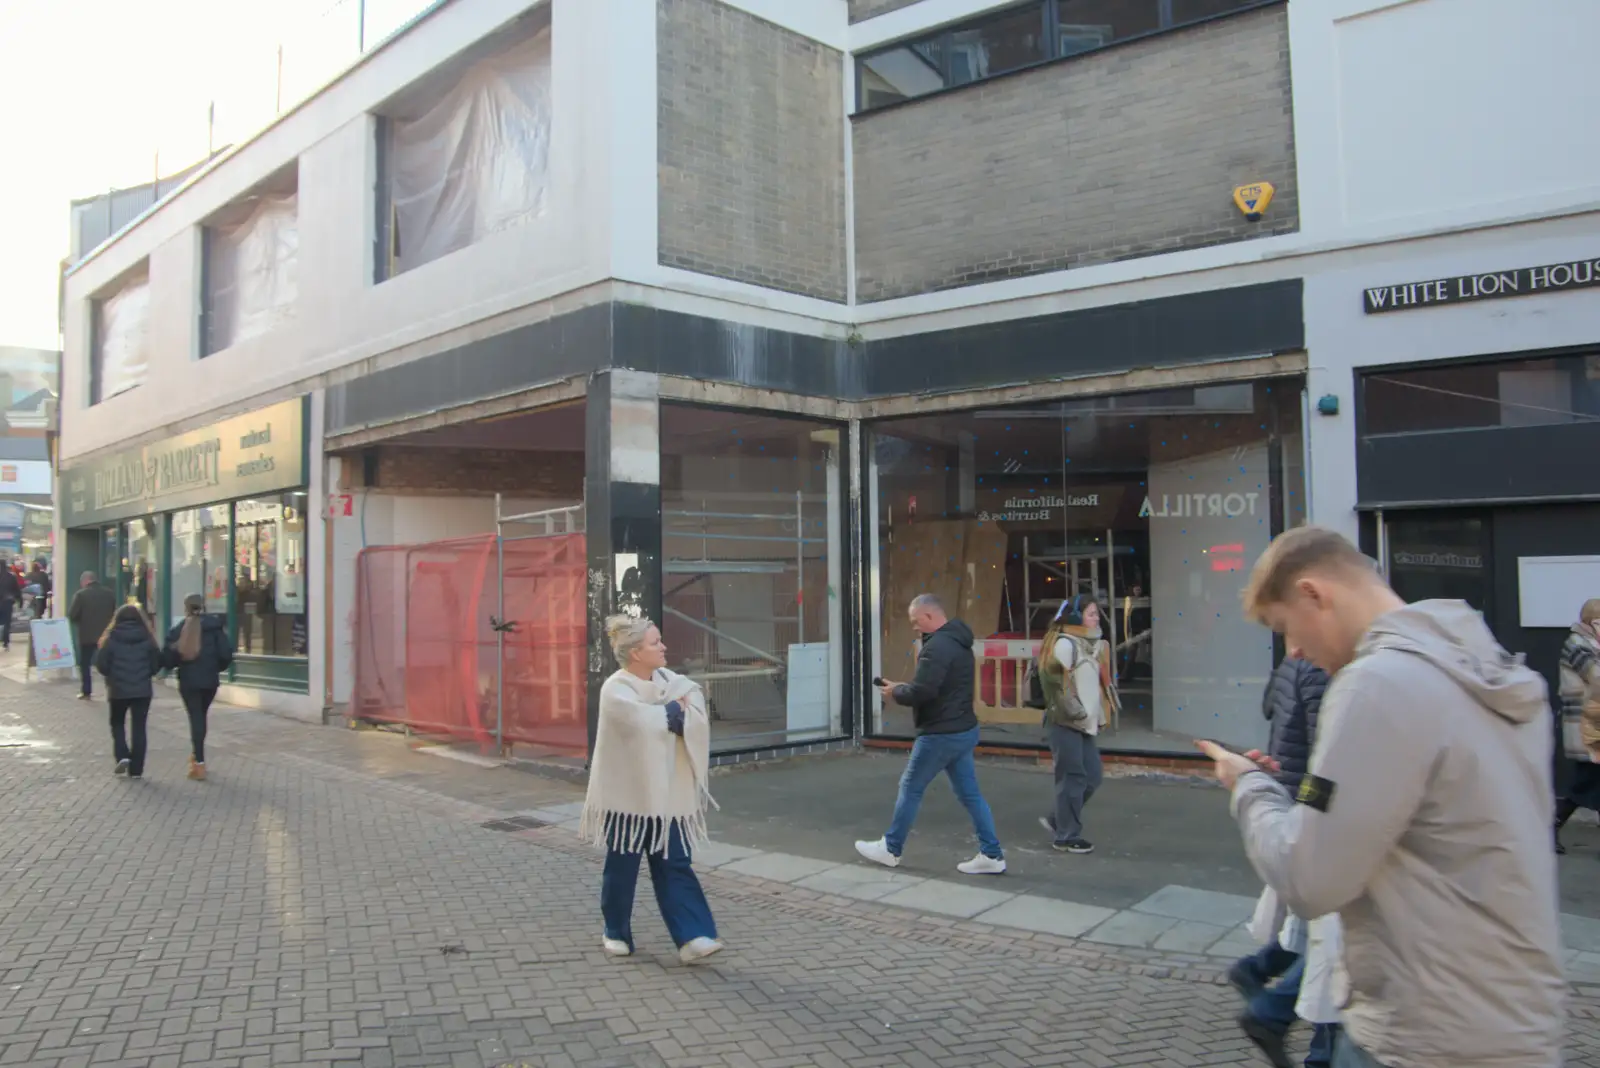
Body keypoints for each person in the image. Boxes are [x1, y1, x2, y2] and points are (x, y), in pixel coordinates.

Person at [1199, 525, 1564, 1068]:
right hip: (1518, 1026)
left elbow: (1309, 877)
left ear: (1313, 593)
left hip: (1421, 1033)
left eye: (1284, 628)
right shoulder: (1490, 672)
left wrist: (1247, 785)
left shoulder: (1378, 684)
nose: (1294, 650)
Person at [577, 615, 722, 964]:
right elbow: (646, 725)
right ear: (635, 653)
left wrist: (670, 715)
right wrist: (671, 713)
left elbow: (693, 712)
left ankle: (693, 936)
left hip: (668, 797)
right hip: (627, 798)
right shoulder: (616, 689)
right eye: (655, 643)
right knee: (622, 868)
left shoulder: (673, 681)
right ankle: (615, 930)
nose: (663, 647)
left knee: (676, 863)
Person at [1231, 652, 1333, 1068]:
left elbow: (1272, 708)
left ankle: (1263, 977)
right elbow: (1324, 759)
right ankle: (1279, 1012)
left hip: (1292, 792)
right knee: (1325, 935)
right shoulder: (1322, 671)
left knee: (1316, 932)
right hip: (1308, 804)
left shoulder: (1291, 666)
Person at [856, 594, 1006, 875]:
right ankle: (992, 854)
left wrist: (896, 692)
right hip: (963, 728)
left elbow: (923, 692)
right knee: (970, 794)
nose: (914, 627)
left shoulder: (935, 647)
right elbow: (938, 686)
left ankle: (891, 848)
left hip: (940, 733)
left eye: (916, 621)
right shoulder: (958, 641)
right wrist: (905, 686)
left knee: (910, 787)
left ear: (928, 617)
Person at [1036, 595, 1116, 854]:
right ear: (1075, 616)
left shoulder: (1090, 644)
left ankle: (1059, 819)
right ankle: (1066, 836)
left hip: (1084, 723)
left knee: (1092, 776)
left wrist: (1096, 715)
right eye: (1091, 613)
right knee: (1073, 778)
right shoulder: (1064, 644)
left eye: (1096, 613)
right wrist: (1078, 712)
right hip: (1065, 722)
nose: (1096, 618)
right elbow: (1055, 685)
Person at [163, 593, 235, 782]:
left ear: (186, 608)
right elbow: (226, 654)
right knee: (201, 716)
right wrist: (215, 668)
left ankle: (199, 762)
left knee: (196, 717)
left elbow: (168, 658)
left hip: (189, 682)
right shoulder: (215, 628)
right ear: (204, 606)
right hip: (210, 681)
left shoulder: (180, 629)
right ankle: (197, 757)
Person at [95, 604, 162, 780]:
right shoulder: (148, 639)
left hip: (118, 689)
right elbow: (156, 665)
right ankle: (137, 769)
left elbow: (101, 664)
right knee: (139, 727)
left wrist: (112, 675)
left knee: (117, 723)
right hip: (142, 690)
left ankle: (122, 754)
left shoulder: (111, 638)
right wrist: (145, 674)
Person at [1556, 598, 1600, 854]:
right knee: (1584, 782)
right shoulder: (1577, 645)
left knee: (1587, 782)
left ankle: (1552, 825)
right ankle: (1552, 825)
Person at [67, 572, 117, 700]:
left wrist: (81, 621)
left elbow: (72, 615)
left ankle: (86, 691)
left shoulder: (81, 595)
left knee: (85, 664)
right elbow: (114, 613)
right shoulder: (109, 594)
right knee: (108, 662)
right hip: (105, 635)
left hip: (86, 635)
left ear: (85, 581)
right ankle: (112, 688)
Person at [0, 558, 20, 651]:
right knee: (7, 623)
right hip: (7, 602)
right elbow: (17, 590)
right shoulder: (11, 577)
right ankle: (5, 642)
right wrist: (19, 600)